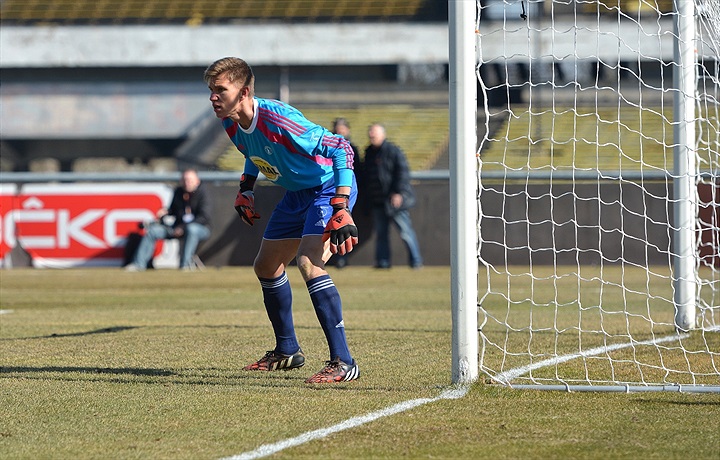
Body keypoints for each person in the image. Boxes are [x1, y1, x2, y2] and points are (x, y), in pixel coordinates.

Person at [203, 57, 360, 384]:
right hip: (296, 193)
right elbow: (253, 152)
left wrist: (341, 206)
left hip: (328, 187)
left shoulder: (280, 120)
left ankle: (344, 362)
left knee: (308, 262)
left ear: (244, 92)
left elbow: (341, 147)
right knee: (266, 265)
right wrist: (246, 189)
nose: (213, 97)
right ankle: (287, 350)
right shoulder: (231, 121)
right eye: (210, 90)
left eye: (220, 90)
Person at [126, 168, 212, 271]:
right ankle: (138, 264)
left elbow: (204, 217)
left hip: (200, 229)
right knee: (153, 231)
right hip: (177, 227)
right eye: (185, 180)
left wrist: (183, 227)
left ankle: (185, 265)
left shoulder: (203, 194)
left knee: (191, 229)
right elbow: (174, 210)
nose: (187, 183)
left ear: (197, 181)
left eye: (190, 180)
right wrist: (165, 212)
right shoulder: (179, 192)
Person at [363, 123, 423, 269]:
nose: (372, 137)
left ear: (383, 135)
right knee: (381, 234)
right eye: (370, 134)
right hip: (377, 202)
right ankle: (383, 262)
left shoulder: (393, 151)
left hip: (394, 201)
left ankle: (416, 261)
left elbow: (402, 173)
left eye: (374, 134)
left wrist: (398, 193)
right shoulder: (369, 153)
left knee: (405, 232)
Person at [331, 117, 359, 269]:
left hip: (348, 194)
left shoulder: (351, 148)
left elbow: (358, 172)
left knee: (344, 226)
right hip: (333, 192)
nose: (340, 132)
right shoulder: (329, 147)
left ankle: (343, 257)